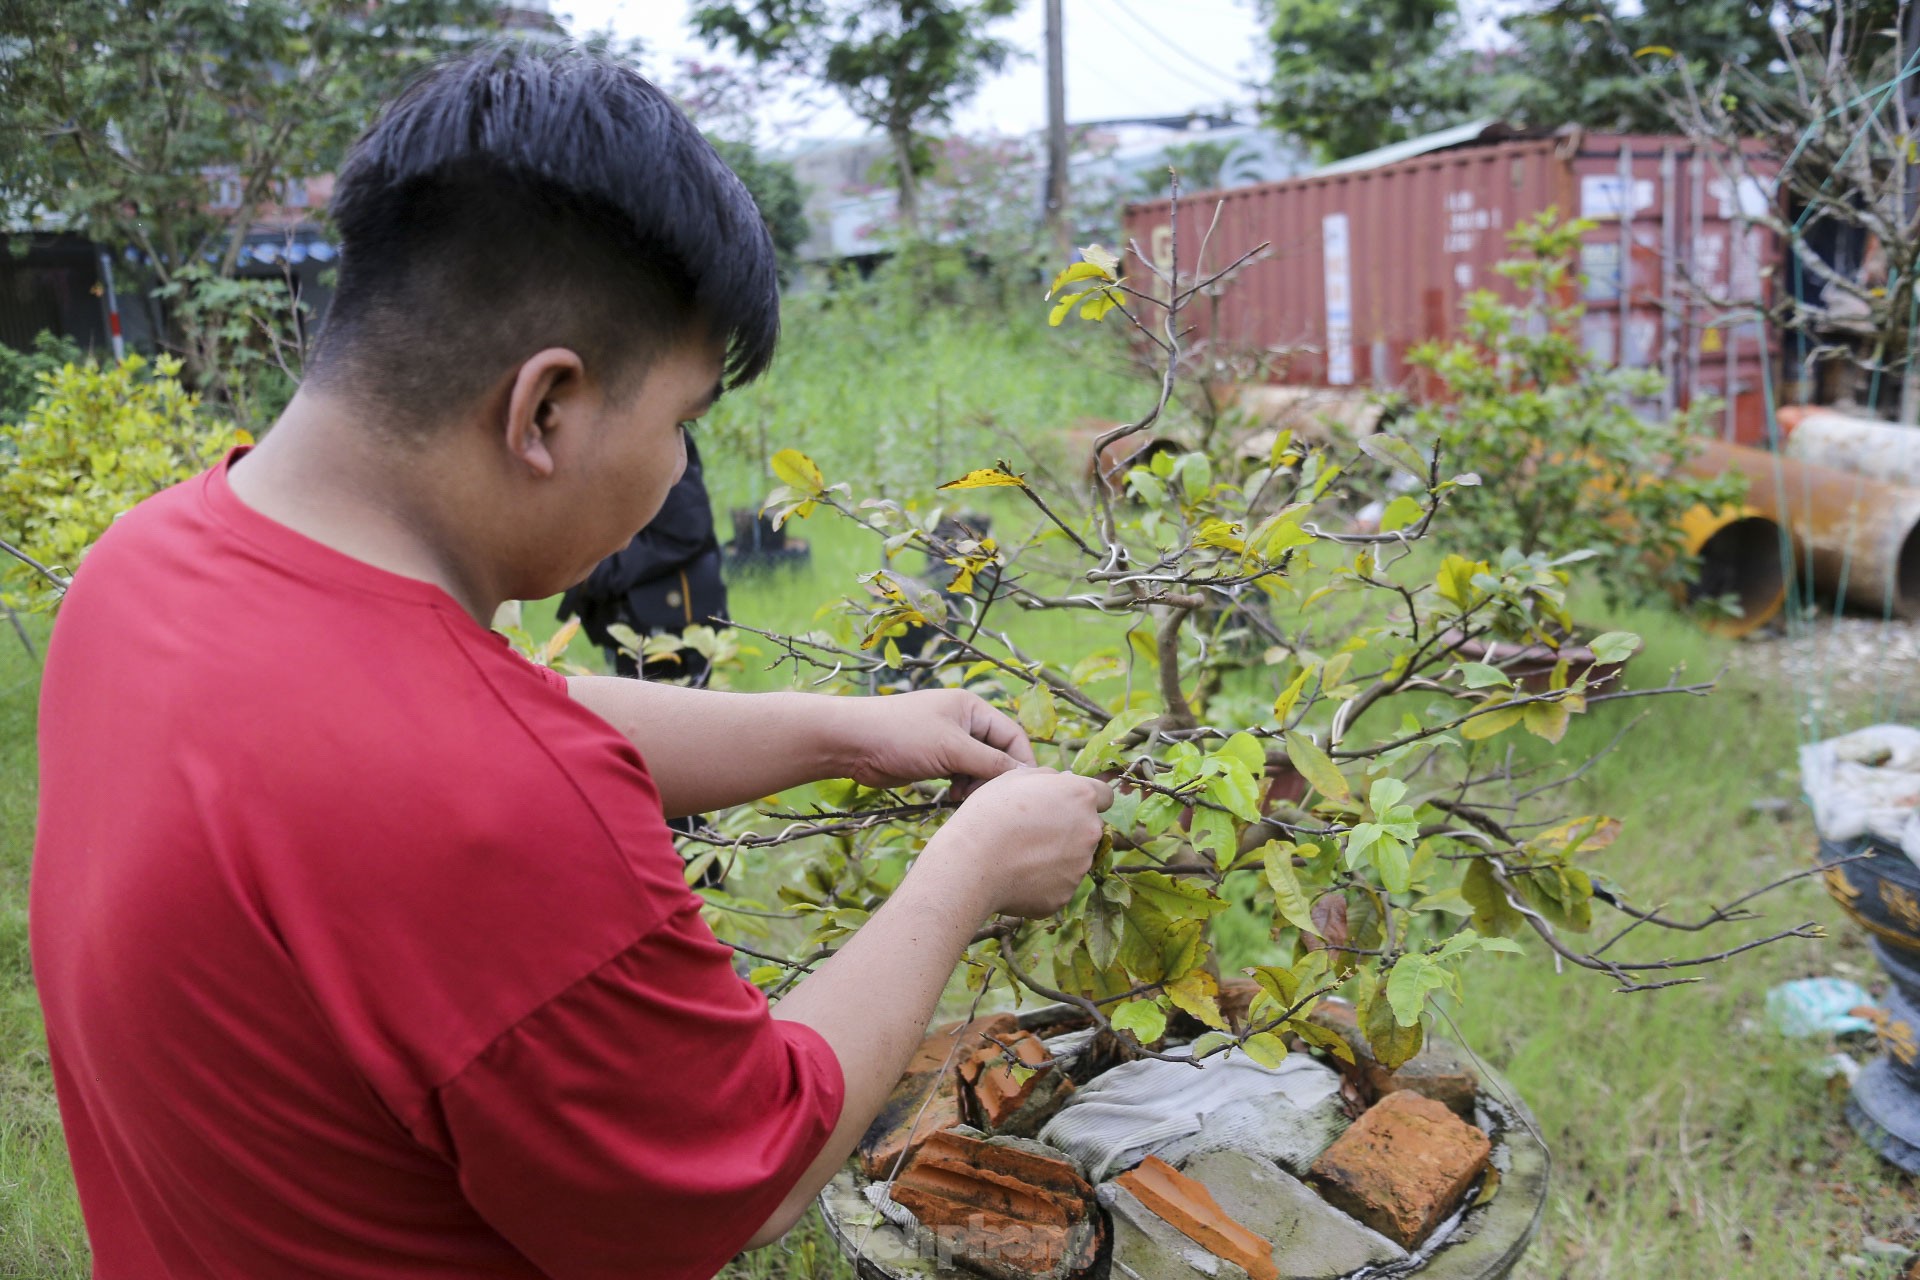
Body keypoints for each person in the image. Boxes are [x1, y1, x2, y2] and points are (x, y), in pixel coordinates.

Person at [29, 45, 1110, 1280]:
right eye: (682, 424)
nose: (672, 471)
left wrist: (843, 728)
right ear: (547, 409)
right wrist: (967, 866)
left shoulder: (145, 565)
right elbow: (753, 1158)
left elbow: (488, 711)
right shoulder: (494, 813)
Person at [559, 427, 729, 683]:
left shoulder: (649, 433)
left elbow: (686, 529)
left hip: (669, 620)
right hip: (641, 612)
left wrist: (599, 571)